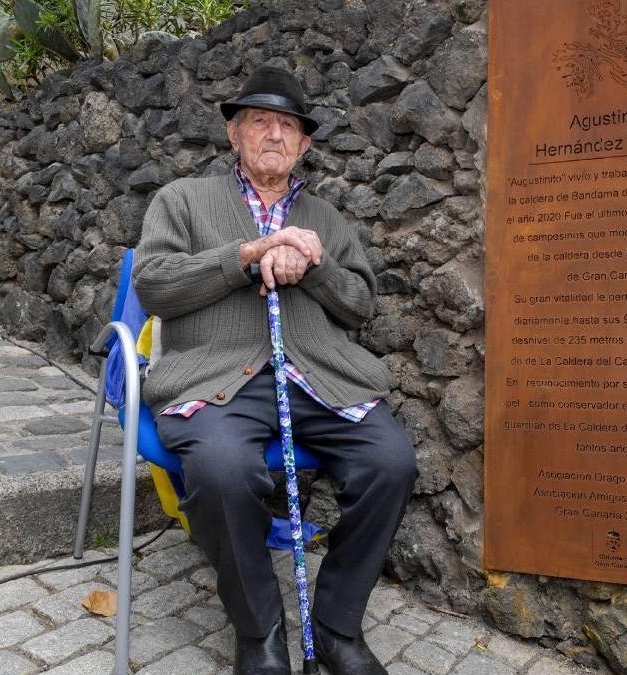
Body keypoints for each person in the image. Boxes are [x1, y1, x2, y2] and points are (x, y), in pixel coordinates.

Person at [132, 66, 418, 675]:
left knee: (390, 463)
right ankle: (260, 633)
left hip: (318, 377)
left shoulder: (328, 218)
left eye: (286, 125)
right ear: (233, 134)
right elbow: (154, 285)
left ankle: (337, 628)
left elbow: (360, 305)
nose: (273, 134)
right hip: (217, 379)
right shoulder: (181, 201)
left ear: (304, 144)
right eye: (258, 121)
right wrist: (246, 256)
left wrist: (312, 265)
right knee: (222, 468)